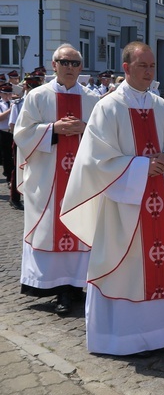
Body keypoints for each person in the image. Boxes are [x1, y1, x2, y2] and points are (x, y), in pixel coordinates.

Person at [60, 41, 164, 356]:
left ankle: (159, 333)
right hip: (123, 206)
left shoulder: (160, 106)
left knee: (157, 263)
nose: (149, 72)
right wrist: (144, 165)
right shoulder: (108, 106)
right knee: (124, 267)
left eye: (152, 66)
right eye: (142, 66)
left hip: (157, 198)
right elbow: (97, 160)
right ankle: (120, 338)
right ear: (127, 68)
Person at [13, 44, 99, 316]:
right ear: (54, 65)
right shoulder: (38, 96)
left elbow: (105, 136)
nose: (70, 67)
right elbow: (22, 133)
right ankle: (57, 287)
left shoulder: (92, 100)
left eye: (75, 63)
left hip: (81, 180)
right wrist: (53, 129)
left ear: (81, 67)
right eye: (64, 62)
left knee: (81, 227)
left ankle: (77, 286)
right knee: (51, 227)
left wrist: (85, 128)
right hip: (49, 178)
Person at [7, 71, 46, 211]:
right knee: (17, 168)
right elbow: (12, 125)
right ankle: (15, 198)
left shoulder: (43, 103)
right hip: (21, 140)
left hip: (38, 139)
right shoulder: (18, 103)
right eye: (31, 87)